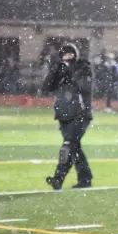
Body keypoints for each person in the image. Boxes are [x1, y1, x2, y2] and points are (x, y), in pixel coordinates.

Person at [43, 43, 94, 190]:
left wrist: (70, 69)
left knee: (68, 146)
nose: (67, 56)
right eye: (64, 54)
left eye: (70, 53)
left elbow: (83, 87)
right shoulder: (59, 69)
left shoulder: (83, 67)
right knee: (74, 147)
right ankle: (85, 179)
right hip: (63, 115)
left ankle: (58, 179)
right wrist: (57, 70)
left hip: (80, 114)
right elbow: (47, 86)